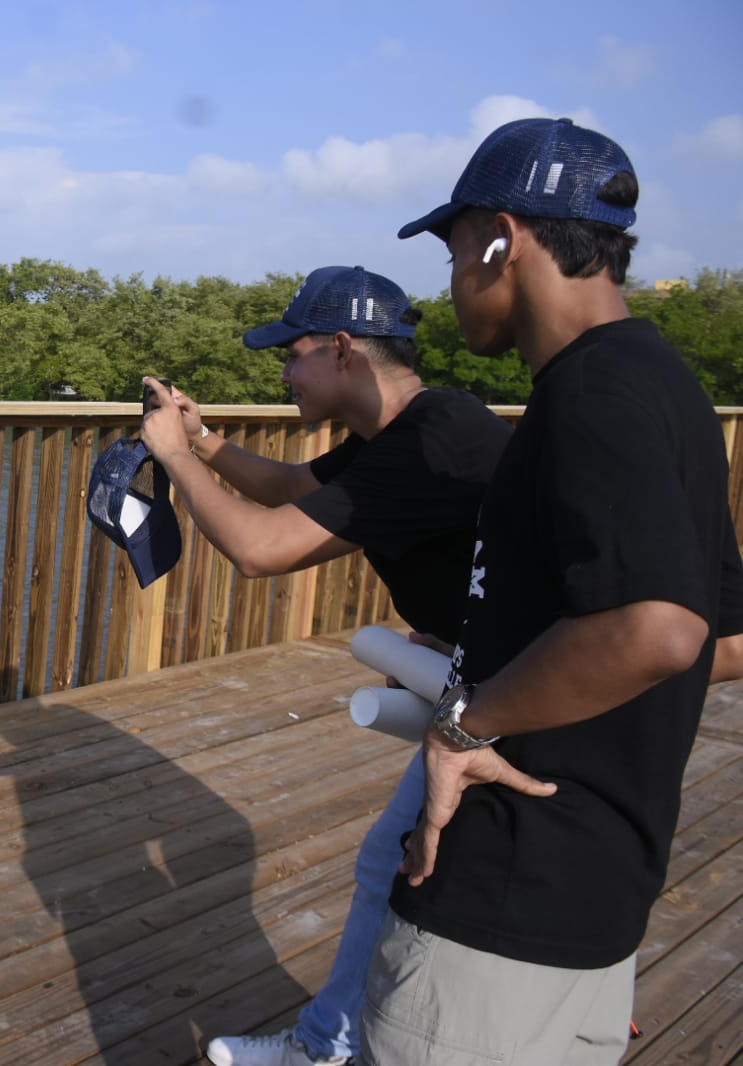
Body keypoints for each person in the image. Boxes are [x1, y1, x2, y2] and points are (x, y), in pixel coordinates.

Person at [362, 117, 743, 1065]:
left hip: (502, 897)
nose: (449, 287)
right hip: (592, 899)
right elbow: (722, 637)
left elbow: (657, 628)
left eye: (453, 255)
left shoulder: (591, 396)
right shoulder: (666, 388)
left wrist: (467, 724)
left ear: (501, 237)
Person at [139, 265, 520, 1066]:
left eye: (293, 353)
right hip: (487, 674)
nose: (283, 373)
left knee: (429, 871)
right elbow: (287, 488)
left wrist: (173, 459)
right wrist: (205, 441)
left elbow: (257, 547)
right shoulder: (411, 429)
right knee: (400, 861)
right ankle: (332, 1042)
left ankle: (337, 1047)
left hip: (527, 700)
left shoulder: (429, 442)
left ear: (341, 349)